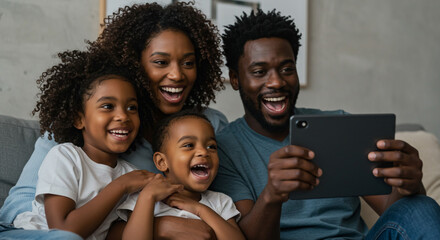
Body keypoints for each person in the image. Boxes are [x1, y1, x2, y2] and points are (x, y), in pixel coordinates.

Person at [0, 2, 226, 239]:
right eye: (160, 62)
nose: (177, 75)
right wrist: (160, 227)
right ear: (134, 66)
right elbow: (19, 208)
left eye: (188, 63)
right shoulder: (73, 141)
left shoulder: (209, 126)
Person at [210, 9, 440, 239]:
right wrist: (272, 195)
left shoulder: (339, 126)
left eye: (287, 69)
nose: (277, 81)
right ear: (235, 79)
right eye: (259, 72)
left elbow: (398, 218)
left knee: (422, 207)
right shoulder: (224, 149)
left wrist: (409, 185)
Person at [1, 49, 155, 239]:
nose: (123, 116)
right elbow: (63, 229)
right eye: (107, 106)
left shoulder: (131, 174)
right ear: (79, 119)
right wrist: (120, 186)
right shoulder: (65, 157)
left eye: (132, 108)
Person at [117, 111, 244, 240]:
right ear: (162, 162)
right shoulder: (143, 198)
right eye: (189, 145)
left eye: (211, 146)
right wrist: (147, 198)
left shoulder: (220, 202)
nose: (203, 152)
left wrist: (199, 209)